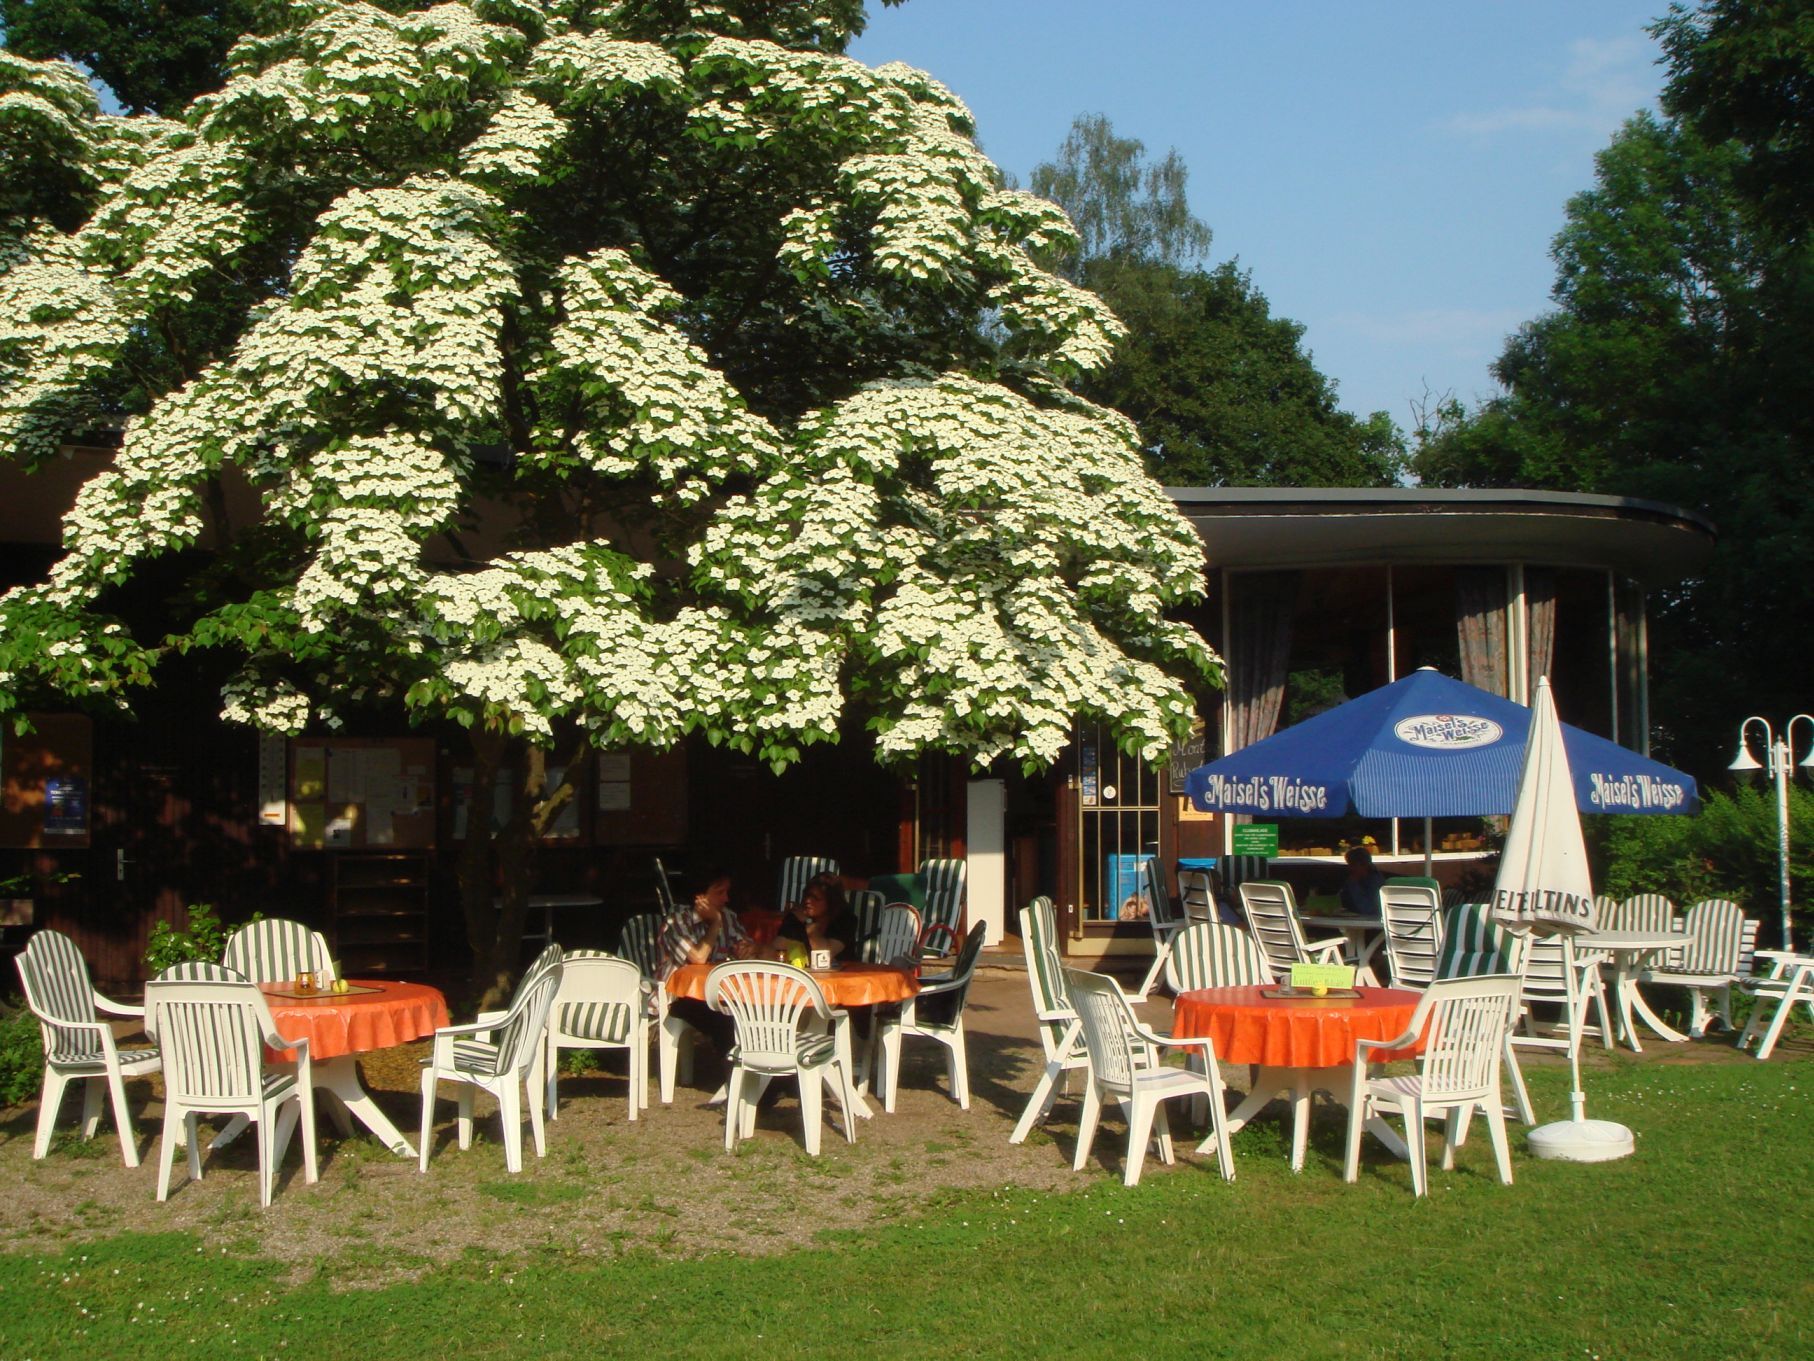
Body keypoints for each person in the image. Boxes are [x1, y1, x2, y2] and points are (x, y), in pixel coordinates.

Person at [657, 868, 752, 1059]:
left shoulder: (728, 916)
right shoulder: (677, 920)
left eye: (727, 892)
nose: (726, 898)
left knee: (752, 1012)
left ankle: (756, 1067)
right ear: (700, 897)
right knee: (726, 1021)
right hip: (681, 997)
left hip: (720, 993)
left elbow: (748, 948)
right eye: (719, 892)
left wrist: (749, 949)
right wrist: (715, 923)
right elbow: (698, 958)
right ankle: (735, 1070)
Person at [775, 872, 854, 962]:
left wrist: (809, 925)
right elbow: (776, 949)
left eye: (815, 898)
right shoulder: (796, 917)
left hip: (841, 970)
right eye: (807, 895)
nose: (807, 901)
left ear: (831, 902)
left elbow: (824, 956)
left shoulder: (845, 920)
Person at [1339, 845, 1384, 917]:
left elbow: (1367, 909)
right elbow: (1342, 900)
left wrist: (1353, 885)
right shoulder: (1353, 878)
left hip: (1371, 920)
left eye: (1352, 865)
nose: (1350, 868)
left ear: (1363, 864)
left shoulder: (1375, 881)